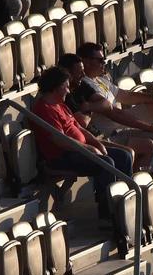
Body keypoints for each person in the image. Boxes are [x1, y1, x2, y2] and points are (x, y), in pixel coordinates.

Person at [29, 66, 134, 213]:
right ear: (56, 88)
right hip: (62, 156)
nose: (68, 90)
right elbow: (60, 140)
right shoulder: (44, 109)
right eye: (65, 87)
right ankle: (107, 212)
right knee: (106, 163)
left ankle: (125, 203)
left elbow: (80, 129)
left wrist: (96, 143)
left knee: (124, 156)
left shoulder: (61, 105)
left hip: (79, 150)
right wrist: (89, 149)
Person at [59, 52, 153, 169]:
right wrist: (94, 109)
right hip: (88, 140)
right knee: (126, 154)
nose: (83, 75)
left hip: (99, 136)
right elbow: (83, 122)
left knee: (149, 144)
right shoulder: (66, 95)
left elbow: (106, 105)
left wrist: (88, 107)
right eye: (79, 72)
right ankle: (122, 185)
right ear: (68, 74)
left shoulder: (81, 85)